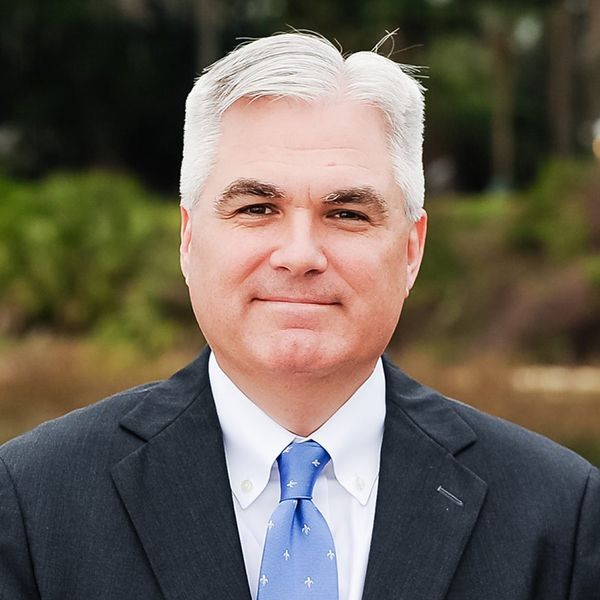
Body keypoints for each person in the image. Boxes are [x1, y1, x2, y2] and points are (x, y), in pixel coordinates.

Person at [0, 32, 598, 600]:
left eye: (347, 214)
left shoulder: (559, 513)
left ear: (412, 248)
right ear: (188, 239)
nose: (301, 255)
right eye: (258, 207)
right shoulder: (32, 502)